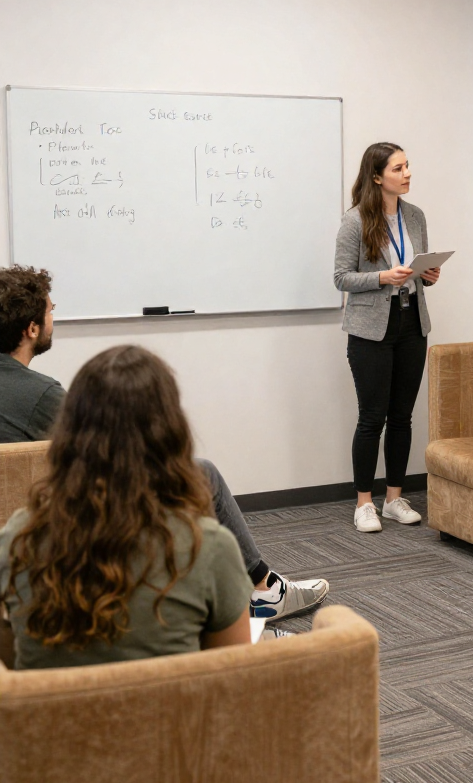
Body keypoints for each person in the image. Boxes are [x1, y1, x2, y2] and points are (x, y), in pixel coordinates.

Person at [0, 343, 417, 783]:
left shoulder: (15, 540)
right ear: (169, 431)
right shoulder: (208, 547)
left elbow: (13, 663)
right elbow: (230, 682)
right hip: (182, 773)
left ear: (70, 433)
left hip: (57, 782)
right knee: (281, 683)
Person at [0, 265, 328, 624]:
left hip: (19, 530)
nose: (53, 316)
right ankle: (264, 590)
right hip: (71, 521)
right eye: (49, 310)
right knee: (202, 473)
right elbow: (114, 456)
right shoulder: (43, 396)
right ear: (31, 329)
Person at [334, 143, 441, 533]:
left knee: (402, 417)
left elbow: (416, 266)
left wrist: (426, 274)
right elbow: (341, 278)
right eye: (399, 168)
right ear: (378, 176)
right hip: (370, 330)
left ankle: (394, 498)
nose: (408, 173)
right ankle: (364, 502)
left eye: (408, 165)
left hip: (412, 323)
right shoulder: (356, 220)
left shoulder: (415, 216)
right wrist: (382, 277)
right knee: (371, 418)